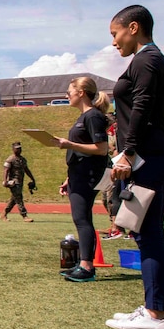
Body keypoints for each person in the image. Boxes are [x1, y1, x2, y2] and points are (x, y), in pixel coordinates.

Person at [104, 5, 164, 329]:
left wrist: (127, 153)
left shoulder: (146, 60)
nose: (113, 42)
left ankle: (154, 315)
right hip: (154, 155)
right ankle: (157, 308)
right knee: (149, 233)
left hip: (149, 156)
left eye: (115, 34)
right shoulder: (152, 60)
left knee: (147, 234)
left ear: (133, 28)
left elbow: (142, 107)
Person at [51, 77, 111, 281]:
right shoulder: (85, 116)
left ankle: (86, 267)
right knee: (81, 218)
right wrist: (69, 177)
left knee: (82, 219)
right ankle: (83, 263)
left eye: (70, 91)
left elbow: (101, 149)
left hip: (88, 174)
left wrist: (69, 145)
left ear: (82, 92)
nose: (66, 95)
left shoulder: (93, 116)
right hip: (79, 173)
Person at [1, 142, 36, 222]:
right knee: (19, 198)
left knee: (14, 199)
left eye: (20, 148)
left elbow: (26, 170)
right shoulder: (10, 159)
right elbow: (6, 170)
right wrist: (5, 181)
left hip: (20, 182)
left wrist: (32, 179)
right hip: (13, 183)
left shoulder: (22, 160)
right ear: (13, 149)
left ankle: (4, 213)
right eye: (17, 148)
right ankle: (24, 216)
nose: (19, 150)